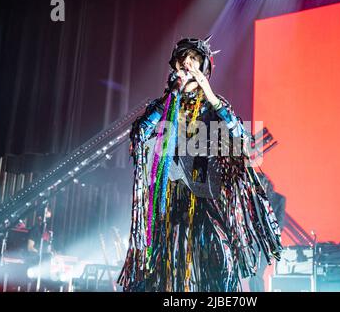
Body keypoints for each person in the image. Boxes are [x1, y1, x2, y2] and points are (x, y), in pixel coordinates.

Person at [118, 36, 282, 292]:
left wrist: (211, 96)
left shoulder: (214, 107)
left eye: (194, 61)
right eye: (183, 62)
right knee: (163, 271)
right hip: (169, 199)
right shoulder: (162, 106)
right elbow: (139, 136)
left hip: (206, 200)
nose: (187, 66)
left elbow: (243, 140)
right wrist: (168, 98)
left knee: (215, 266)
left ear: (204, 69)